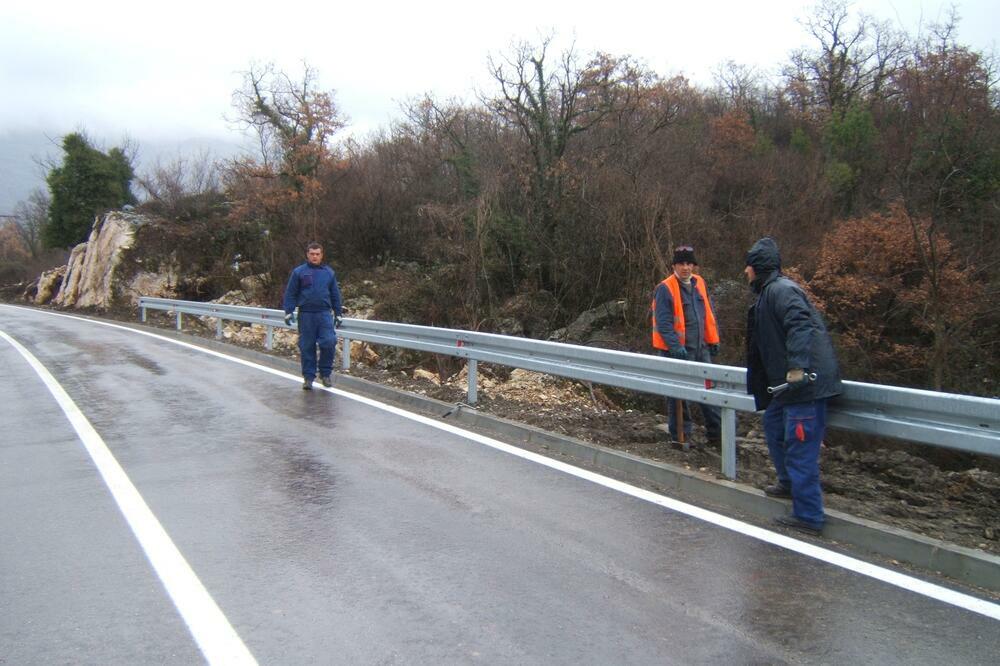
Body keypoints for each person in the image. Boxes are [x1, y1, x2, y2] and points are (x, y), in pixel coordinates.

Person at [744, 237, 842, 536]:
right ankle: (788, 484)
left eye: (747, 267)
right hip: (785, 389)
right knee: (774, 426)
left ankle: (809, 515)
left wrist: (797, 368)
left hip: (803, 386)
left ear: (757, 268)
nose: (745, 272)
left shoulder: (782, 290)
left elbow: (800, 325)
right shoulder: (768, 293)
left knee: (800, 446)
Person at [651, 244, 722, 446]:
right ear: (674, 265)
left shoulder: (699, 283)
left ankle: (717, 436)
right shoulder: (665, 288)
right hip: (678, 352)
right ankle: (681, 437)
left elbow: (707, 315)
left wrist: (713, 340)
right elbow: (663, 323)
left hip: (701, 349)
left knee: (709, 394)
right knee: (678, 398)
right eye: (681, 263)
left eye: (689, 263)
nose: (686, 267)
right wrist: (675, 347)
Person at [283, 242, 344, 390]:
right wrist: (288, 311)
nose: (315, 257)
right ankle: (308, 378)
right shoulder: (299, 272)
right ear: (307, 255)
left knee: (329, 342)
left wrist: (338, 313)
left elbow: (335, 294)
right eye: (312, 254)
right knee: (307, 346)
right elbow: (291, 293)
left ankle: (325, 374)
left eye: (317, 254)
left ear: (321, 255)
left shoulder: (329, 273)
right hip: (306, 315)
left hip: (324, 314)